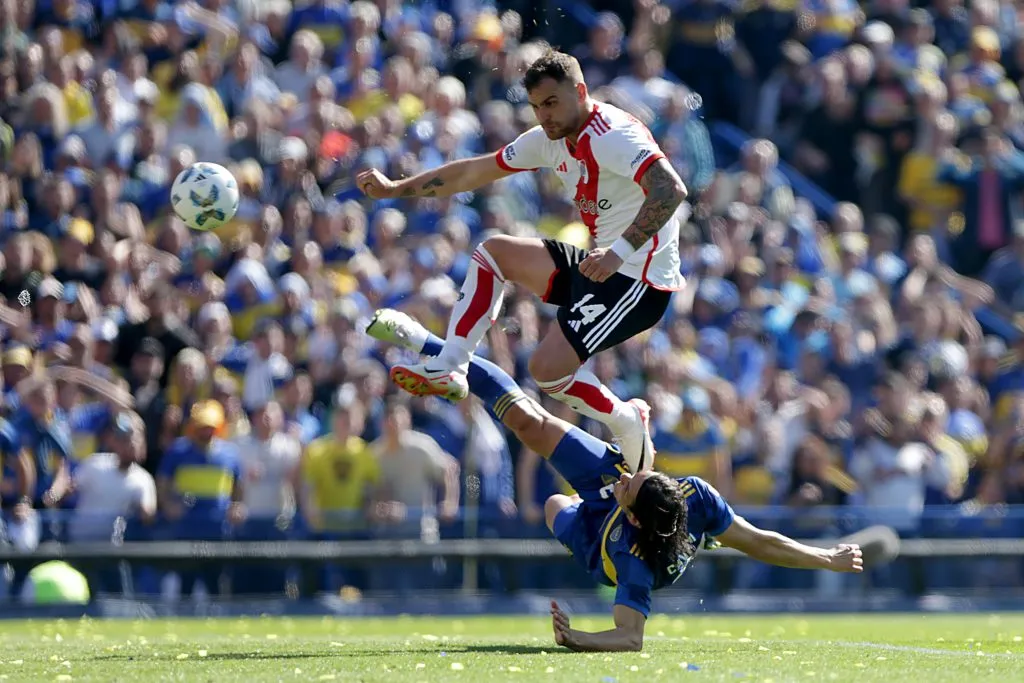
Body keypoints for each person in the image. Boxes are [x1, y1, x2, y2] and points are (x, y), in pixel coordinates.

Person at [366, 309, 865, 652]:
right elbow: (762, 541)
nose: (628, 479)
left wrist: (577, 637)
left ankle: (625, 432)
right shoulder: (694, 494)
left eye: (629, 484)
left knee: (554, 507)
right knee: (529, 422)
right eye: (638, 478)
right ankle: (424, 342)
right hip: (639, 507)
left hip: (596, 543)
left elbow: (630, 638)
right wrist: (826, 556)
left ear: (630, 511)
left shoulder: (635, 562)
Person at [356, 49, 688, 466]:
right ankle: (451, 365)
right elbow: (470, 173)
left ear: (580, 92)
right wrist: (394, 188)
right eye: (535, 107)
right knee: (494, 253)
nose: (543, 115)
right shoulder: (549, 140)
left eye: (551, 103)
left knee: (546, 371)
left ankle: (625, 419)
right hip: (600, 264)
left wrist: (619, 253)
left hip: (639, 280)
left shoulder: (613, 134)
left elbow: (670, 190)